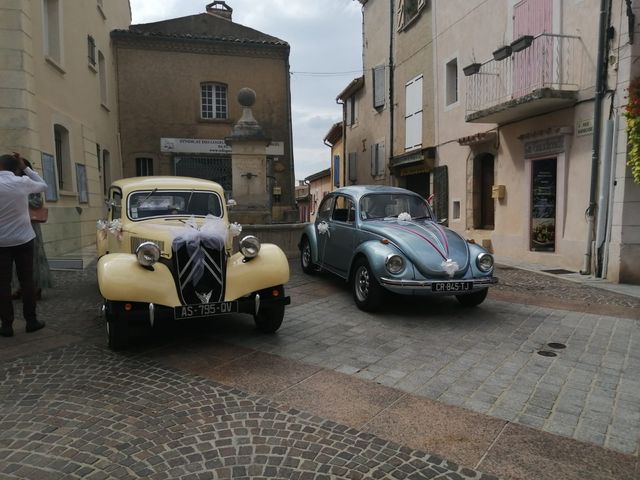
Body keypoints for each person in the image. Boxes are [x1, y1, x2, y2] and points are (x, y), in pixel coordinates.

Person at [0, 153, 48, 337]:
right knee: (27, 280)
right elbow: (43, 185)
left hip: (1, 241)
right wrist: (26, 168)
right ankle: (31, 321)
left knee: (2, 284)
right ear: (16, 167)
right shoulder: (22, 182)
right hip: (23, 239)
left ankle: (6, 325)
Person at [11, 160, 53, 300]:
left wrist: (21, 198)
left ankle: (36, 287)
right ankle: (20, 287)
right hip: (15, 224)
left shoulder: (29, 183)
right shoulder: (11, 182)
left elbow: (37, 202)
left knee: (34, 257)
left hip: (31, 224)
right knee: (16, 259)